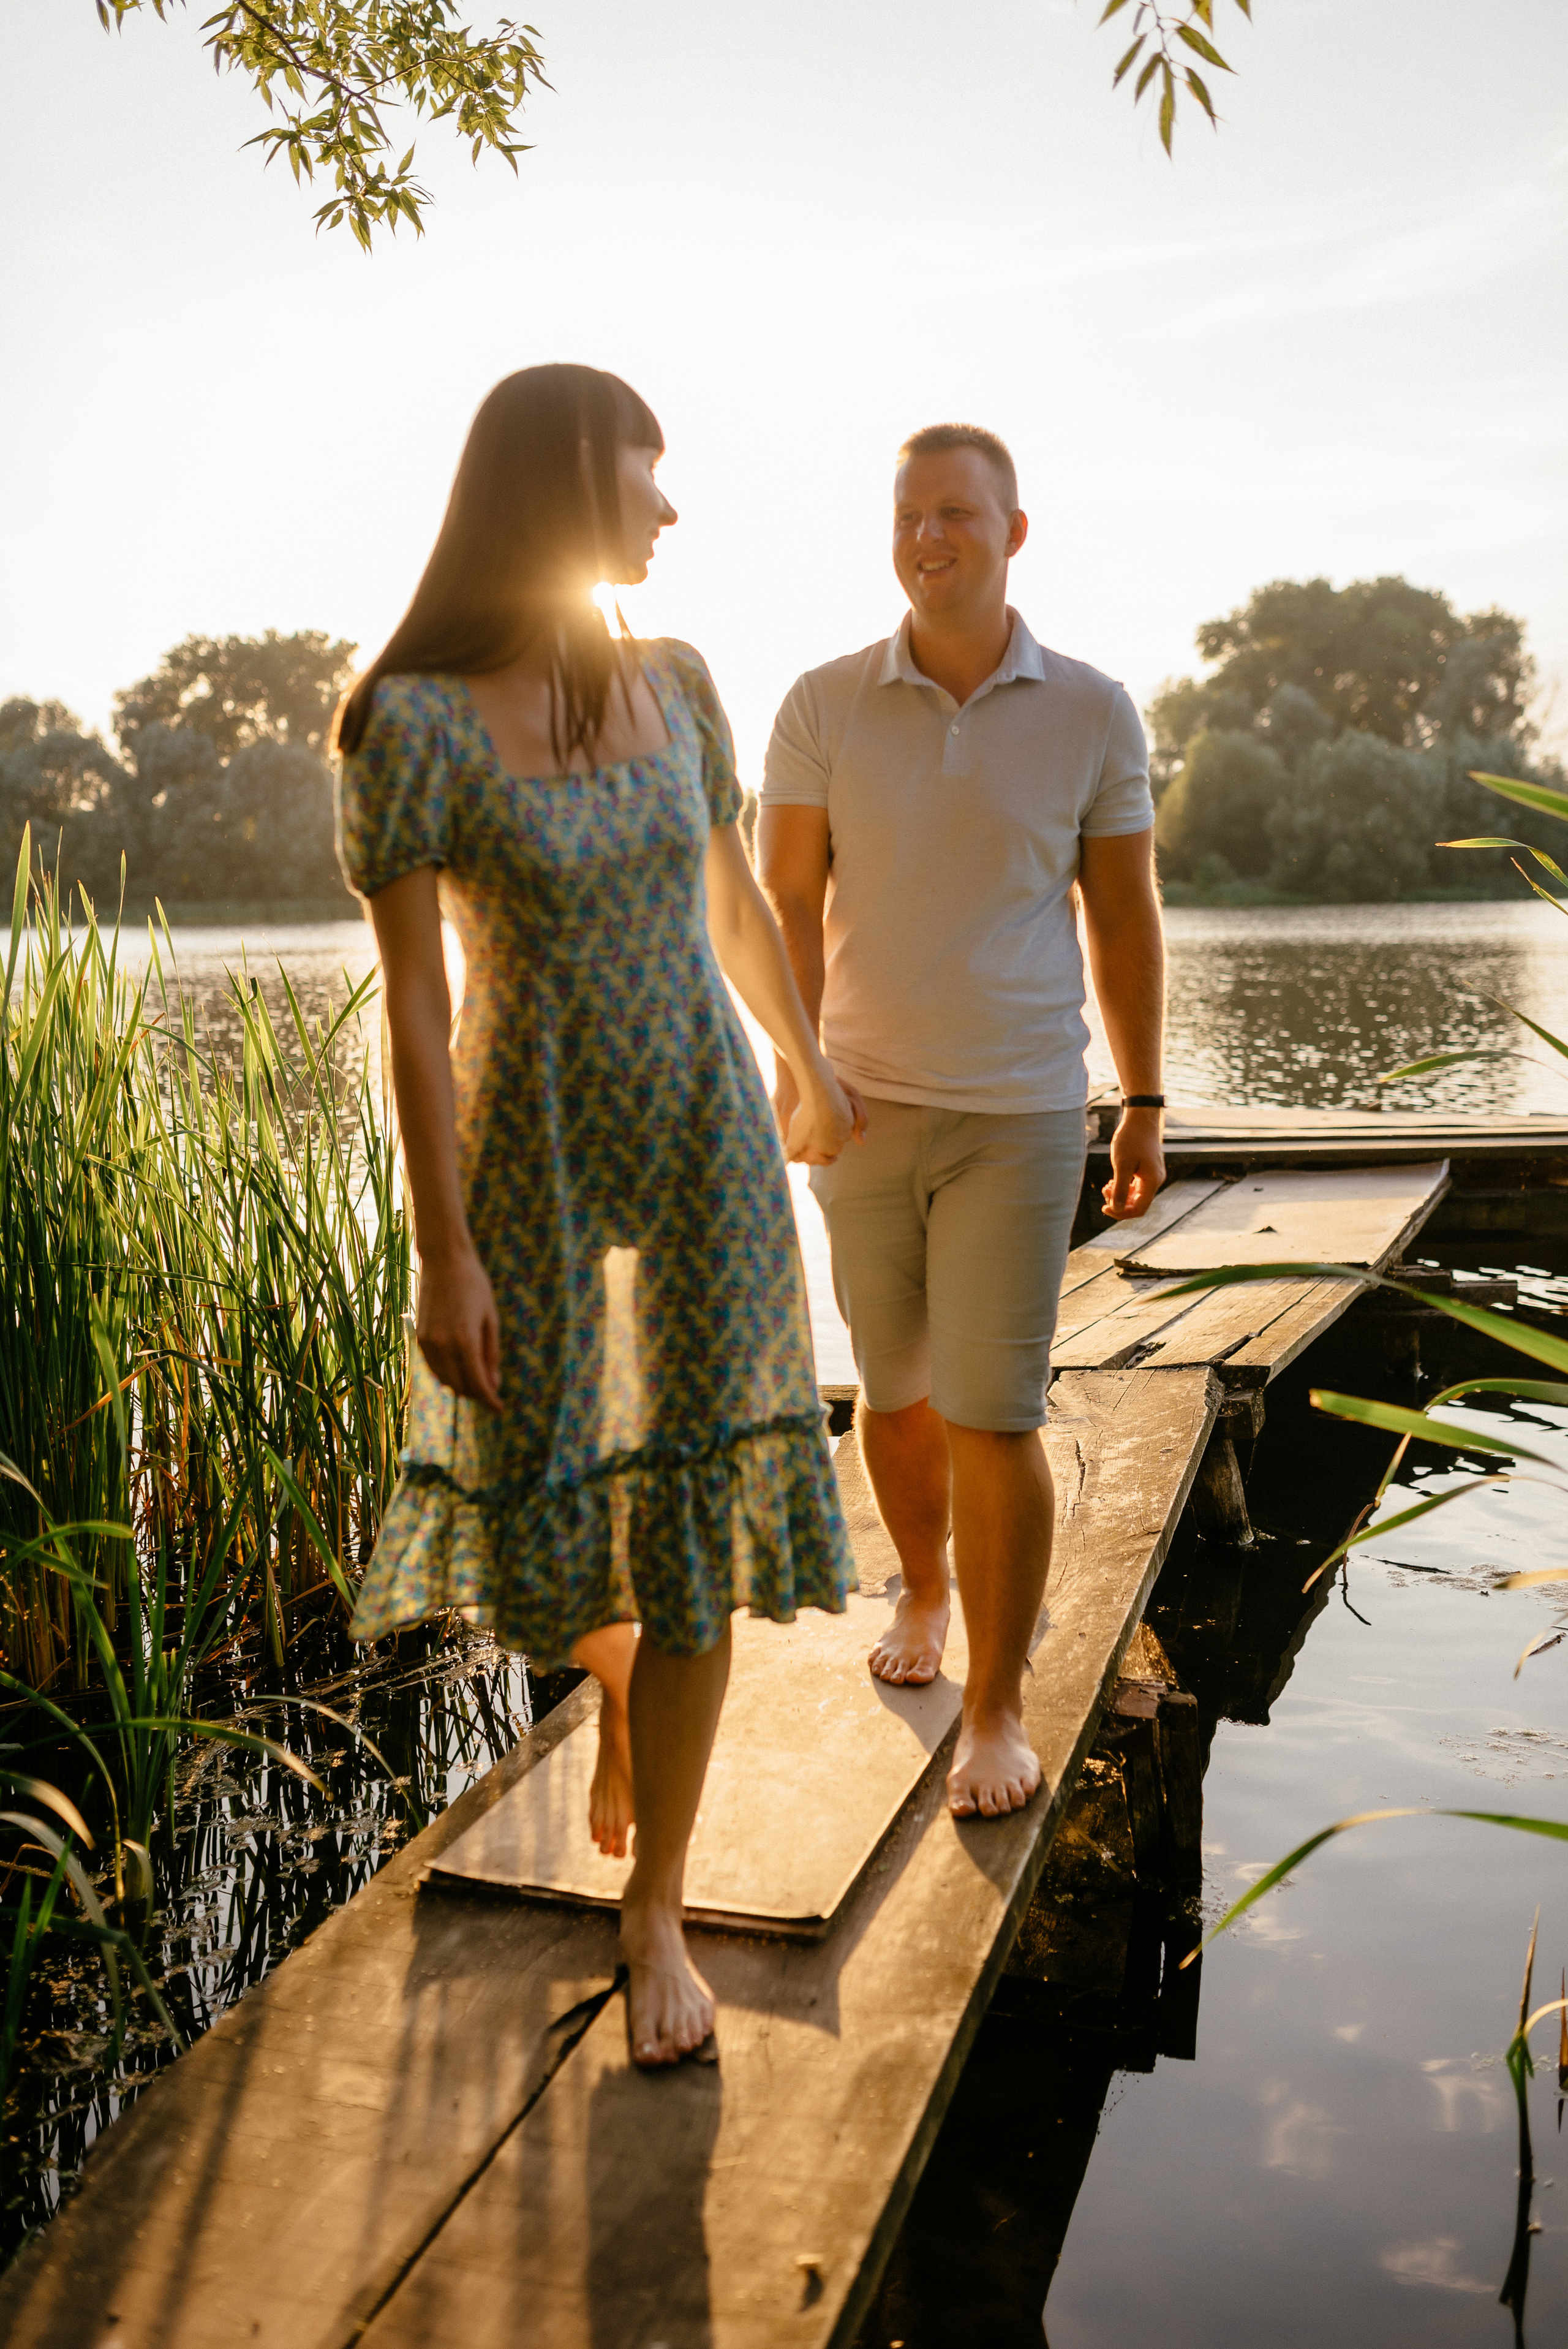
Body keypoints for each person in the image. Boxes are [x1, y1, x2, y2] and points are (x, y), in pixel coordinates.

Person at [333, 364, 861, 2068]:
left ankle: (659, 1911)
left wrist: (806, 1061)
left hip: (704, 1141)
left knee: (692, 1525)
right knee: (536, 1528)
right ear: (566, 479)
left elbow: (734, 902)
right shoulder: (410, 722)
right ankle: (616, 1679)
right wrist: (443, 1250)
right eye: (648, 470)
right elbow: (416, 1012)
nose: (670, 505)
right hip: (532, 1155)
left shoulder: (680, 682)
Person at [756, 422, 1165, 1823]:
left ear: (1012, 532)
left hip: (1019, 1112)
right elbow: (784, 907)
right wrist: (800, 1073)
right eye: (906, 515)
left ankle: (994, 1705)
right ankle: (921, 1585)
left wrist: (1142, 1101)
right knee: (895, 1392)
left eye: (956, 514)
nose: (927, 536)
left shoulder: (1093, 710)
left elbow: (1122, 917)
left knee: (994, 1412)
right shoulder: (820, 702)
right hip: (861, 1110)